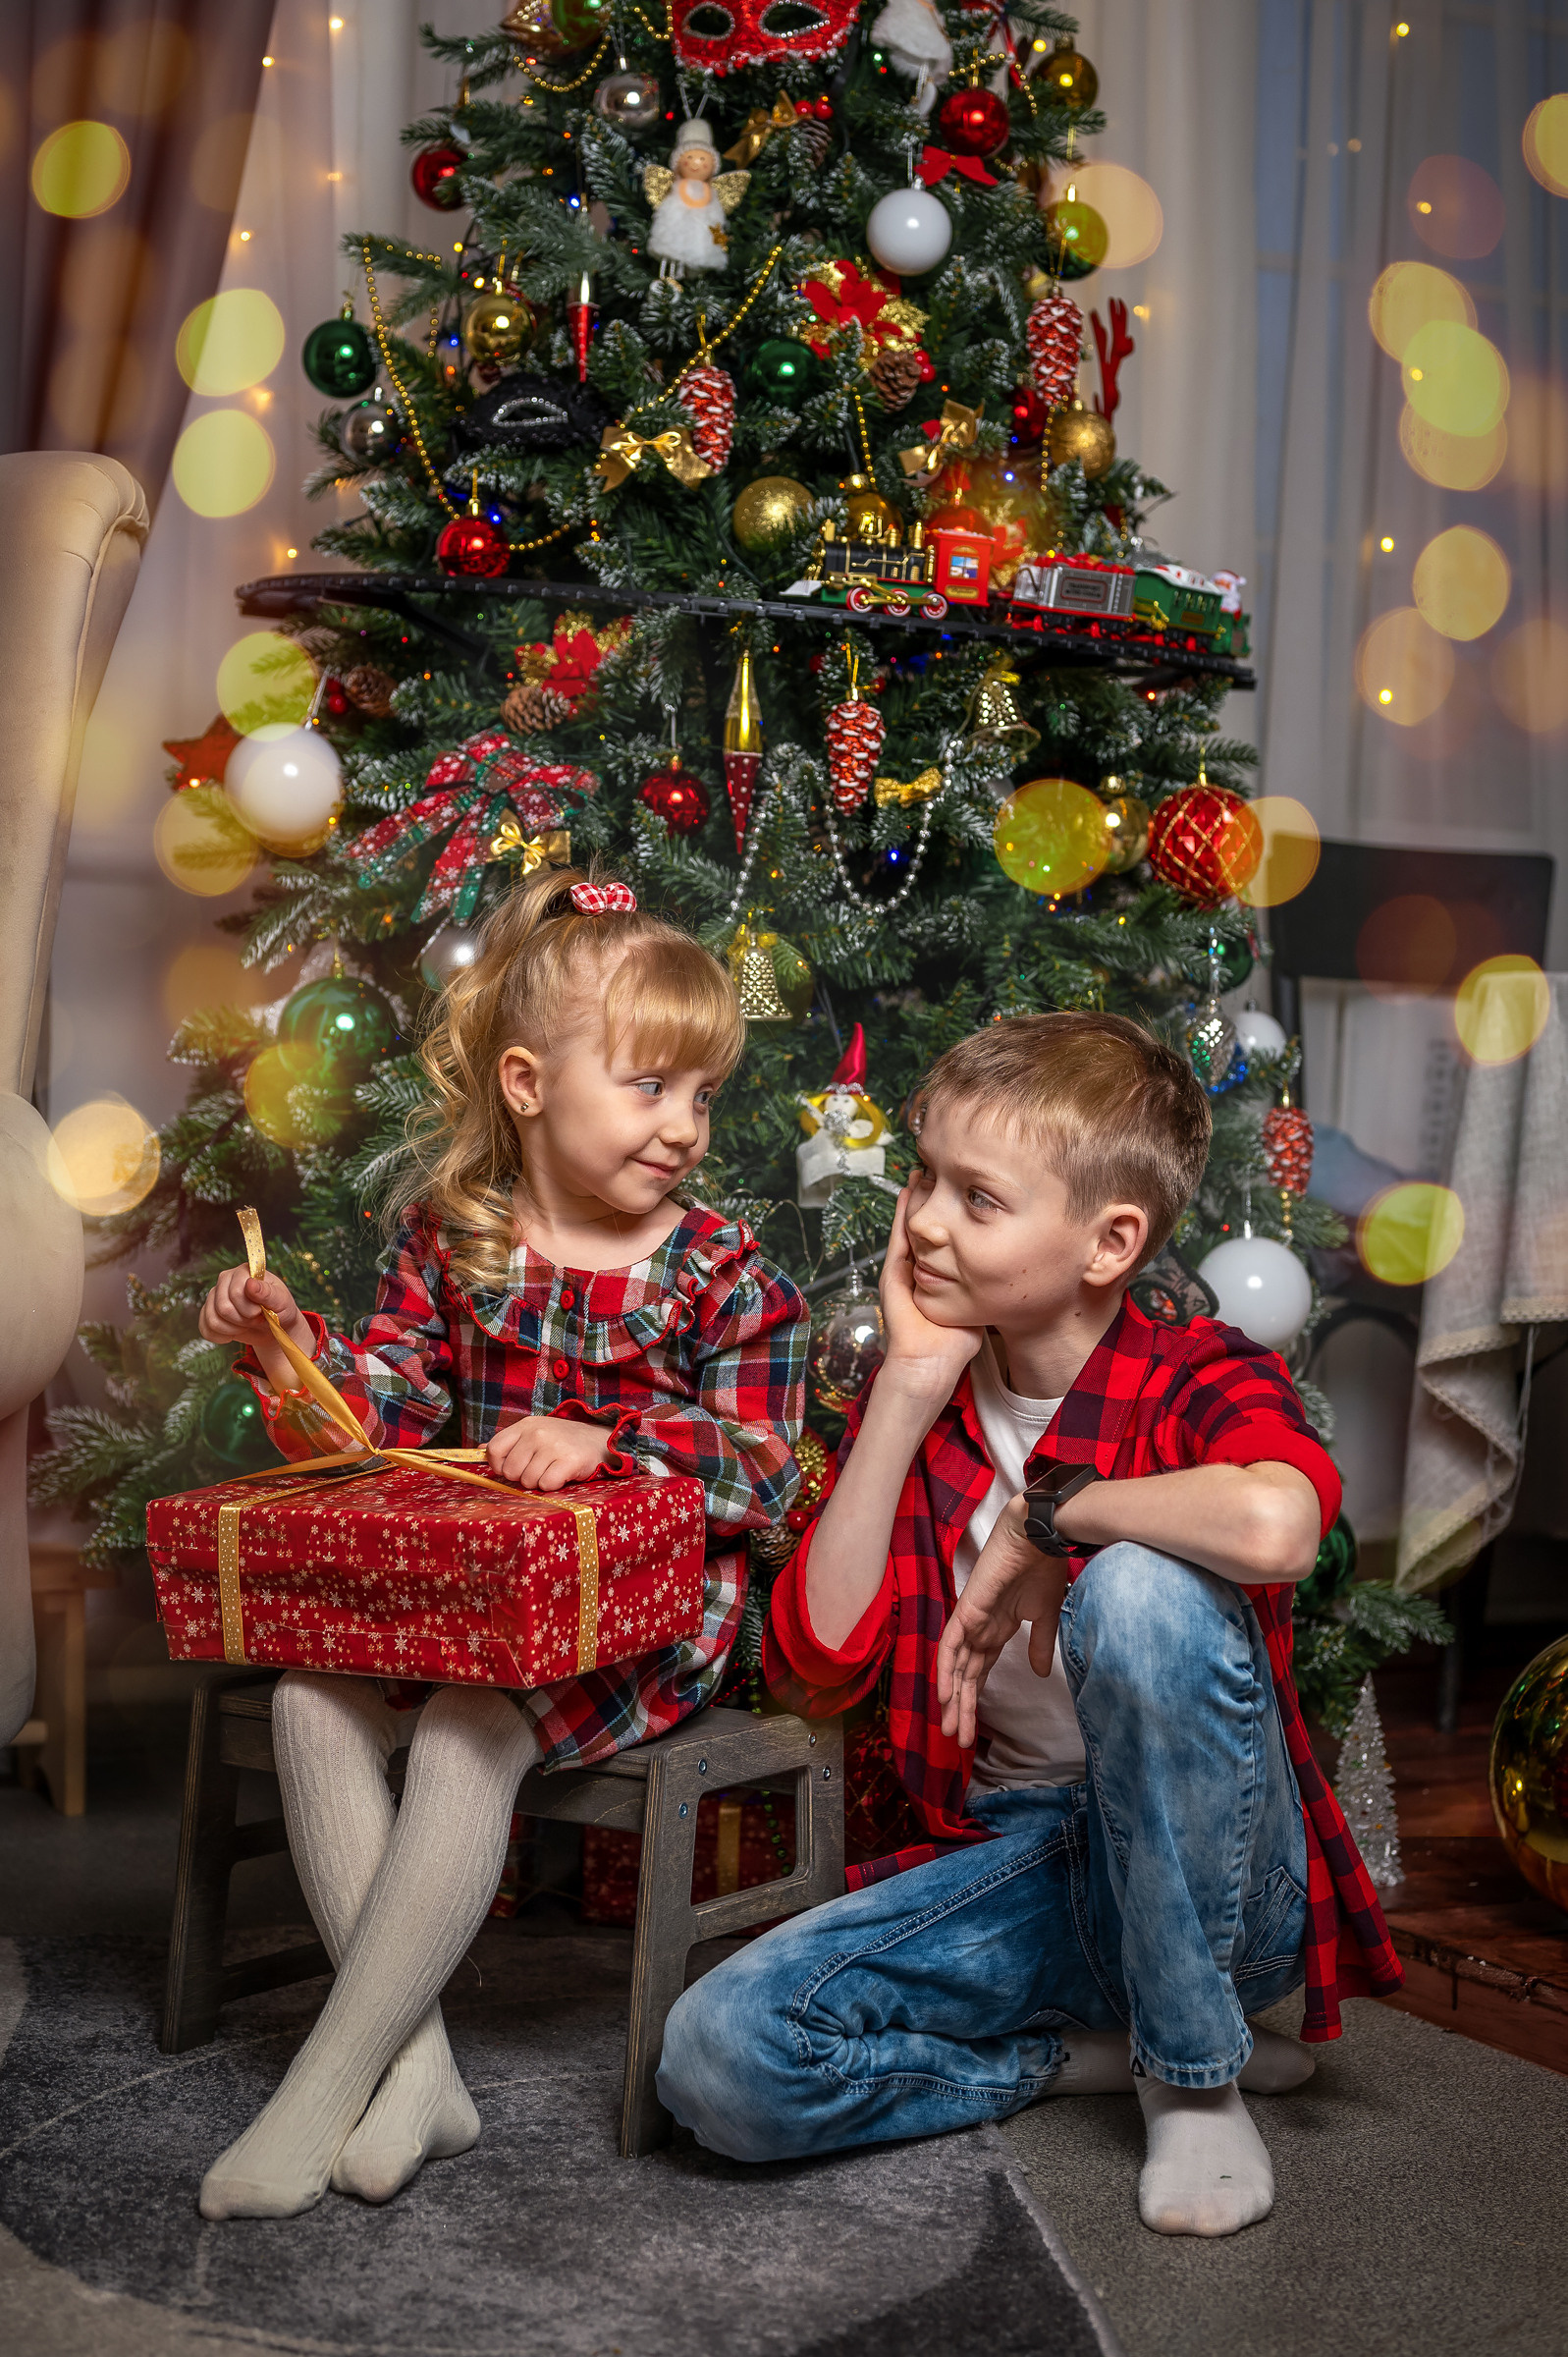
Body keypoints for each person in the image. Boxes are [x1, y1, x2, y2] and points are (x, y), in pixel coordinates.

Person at [658, 1011, 1403, 2237]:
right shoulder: (932, 1401)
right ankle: (1092, 2056)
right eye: (925, 1175)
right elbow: (810, 1670)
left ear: (1111, 1242)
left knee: (1138, 1584)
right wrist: (906, 1388)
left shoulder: (1197, 1374)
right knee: (721, 2059)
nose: (925, 1220)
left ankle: (1195, 2074)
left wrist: (1052, 1520)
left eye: (979, 1198)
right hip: (1032, 1867)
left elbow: (1279, 1528)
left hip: (1227, 1886)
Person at [194, 868, 807, 2220]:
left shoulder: (728, 1277)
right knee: (308, 1694)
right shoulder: (453, 1241)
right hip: (462, 1589)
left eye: (701, 1094)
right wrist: (279, 1343)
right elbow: (373, 1430)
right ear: (527, 1085)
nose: (683, 1125)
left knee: (473, 1728)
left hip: (642, 1613)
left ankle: (323, 2081)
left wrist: (623, 1440)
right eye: (649, 1086)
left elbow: (765, 1473)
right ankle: (414, 2075)